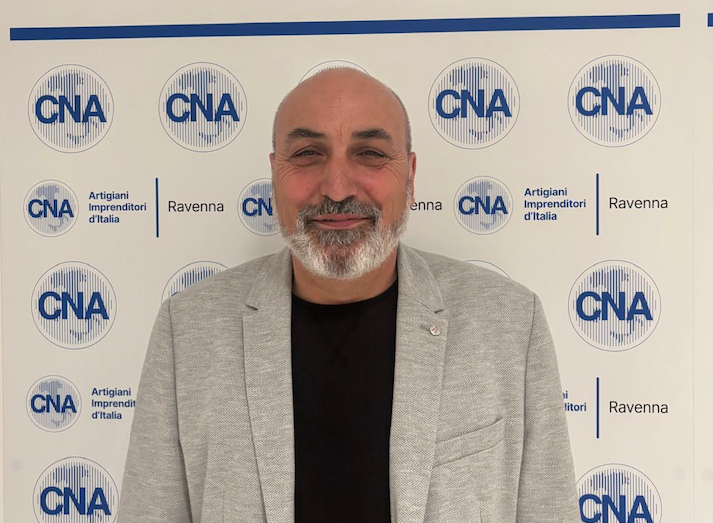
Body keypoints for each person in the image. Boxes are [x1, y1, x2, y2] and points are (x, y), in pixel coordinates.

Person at [118, 68, 578, 523]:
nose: (337, 188)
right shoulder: (187, 329)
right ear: (274, 174)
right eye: (308, 154)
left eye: (370, 154)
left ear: (410, 176)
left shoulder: (510, 323)